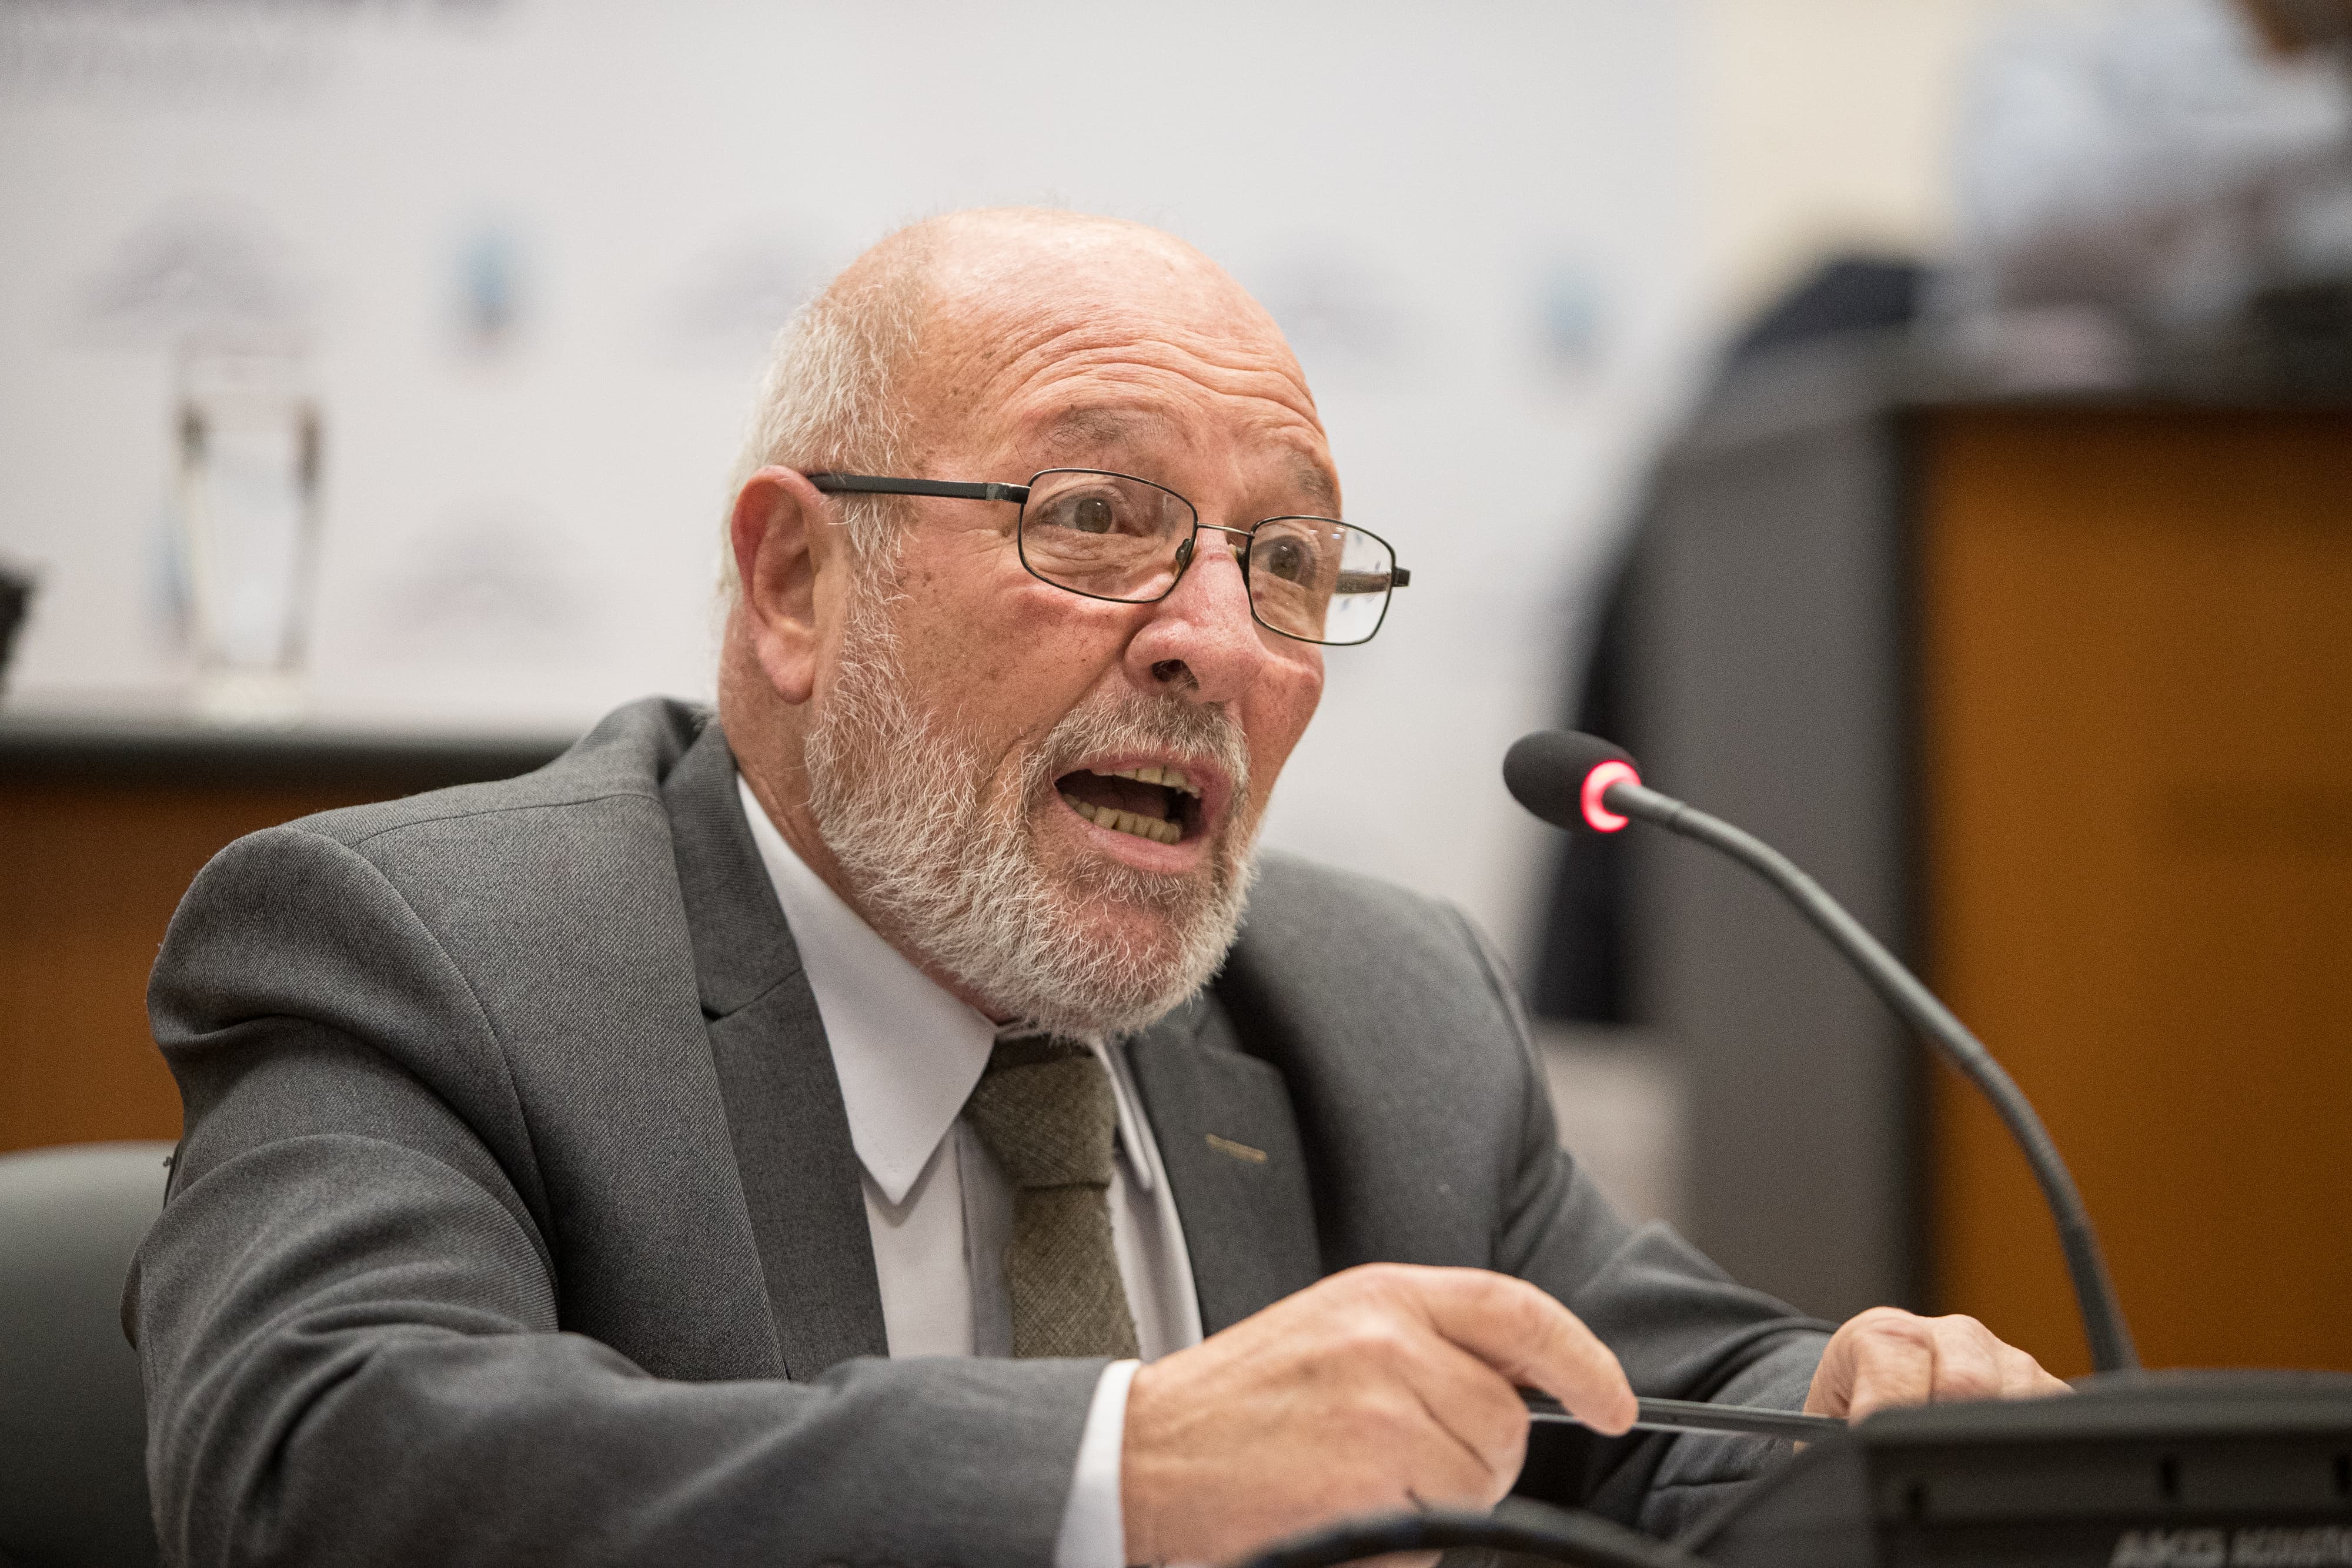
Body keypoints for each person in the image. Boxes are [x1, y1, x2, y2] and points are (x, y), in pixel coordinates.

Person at [129, 209, 2065, 1568]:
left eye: (1288, 560)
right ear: (796, 582)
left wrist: (1877, 1424)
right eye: (1096, 519)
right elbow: (320, 1468)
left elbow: (1670, 1419)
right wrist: (1125, 1467)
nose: (1214, 640)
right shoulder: (429, 956)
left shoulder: (1383, 1009)